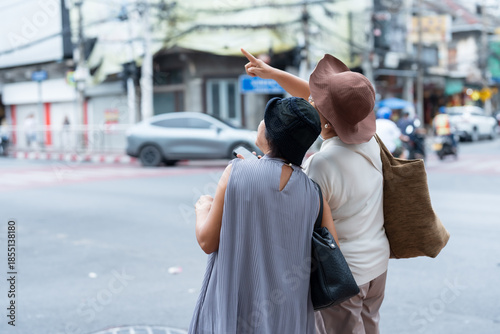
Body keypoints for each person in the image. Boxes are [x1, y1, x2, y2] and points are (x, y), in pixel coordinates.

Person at [242, 48, 390, 334]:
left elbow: (294, 210)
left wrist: (266, 157)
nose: (309, 100)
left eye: (313, 102)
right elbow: (326, 100)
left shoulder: (323, 164)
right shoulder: (370, 139)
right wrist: (271, 74)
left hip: (347, 275)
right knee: (371, 327)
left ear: (322, 118)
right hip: (377, 264)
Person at [189, 96, 339, 334]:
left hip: (238, 310)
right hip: (290, 316)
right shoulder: (314, 194)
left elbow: (207, 241)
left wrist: (203, 208)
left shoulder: (236, 172)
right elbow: (331, 252)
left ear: (272, 133)